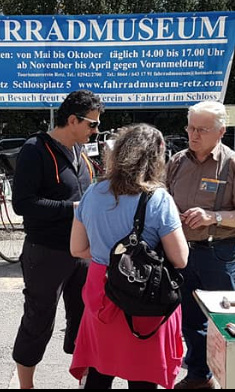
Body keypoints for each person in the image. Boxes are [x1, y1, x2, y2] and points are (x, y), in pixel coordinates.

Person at [69, 124, 189, 389]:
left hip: (101, 291)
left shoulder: (92, 193)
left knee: (100, 370)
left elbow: (77, 249)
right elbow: (180, 259)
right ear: (157, 158)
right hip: (144, 293)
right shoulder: (158, 199)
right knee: (142, 376)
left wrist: (109, 255)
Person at [166, 101, 235, 390]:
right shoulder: (177, 162)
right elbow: (162, 194)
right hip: (183, 251)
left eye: (201, 130)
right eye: (190, 128)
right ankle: (199, 376)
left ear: (221, 131)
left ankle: (233, 379)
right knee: (191, 320)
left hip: (219, 252)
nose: (193, 135)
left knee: (224, 320)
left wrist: (214, 216)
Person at [11, 90, 105, 389]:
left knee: (85, 318)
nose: (96, 130)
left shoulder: (80, 150)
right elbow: (22, 204)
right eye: (92, 124)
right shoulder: (34, 149)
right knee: (39, 320)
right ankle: (26, 385)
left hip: (82, 252)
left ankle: (84, 381)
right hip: (46, 251)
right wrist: (72, 209)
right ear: (72, 120)